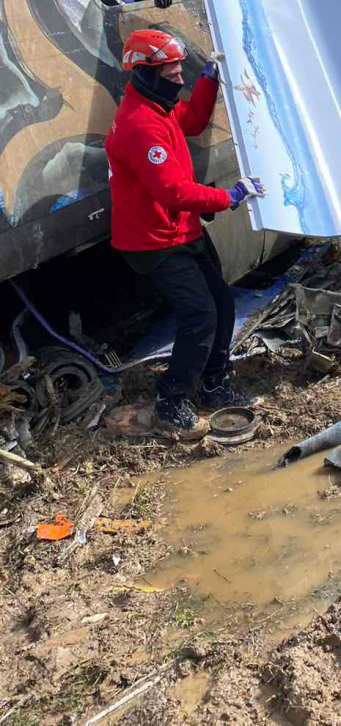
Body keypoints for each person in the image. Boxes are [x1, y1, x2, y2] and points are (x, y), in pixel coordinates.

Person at [105, 28, 266, 439]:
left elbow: (193, 121)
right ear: (144, 74)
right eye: (172, 73)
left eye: (181, 72)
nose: (179, 79)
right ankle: (170, 402)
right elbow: (172, 191)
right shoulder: (140, 125)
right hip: (153, 240)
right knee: (200, 315)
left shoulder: (159, 107)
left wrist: (209, 77)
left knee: (222, 305)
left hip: (180, 230)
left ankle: (213, 383)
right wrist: (229, 196)